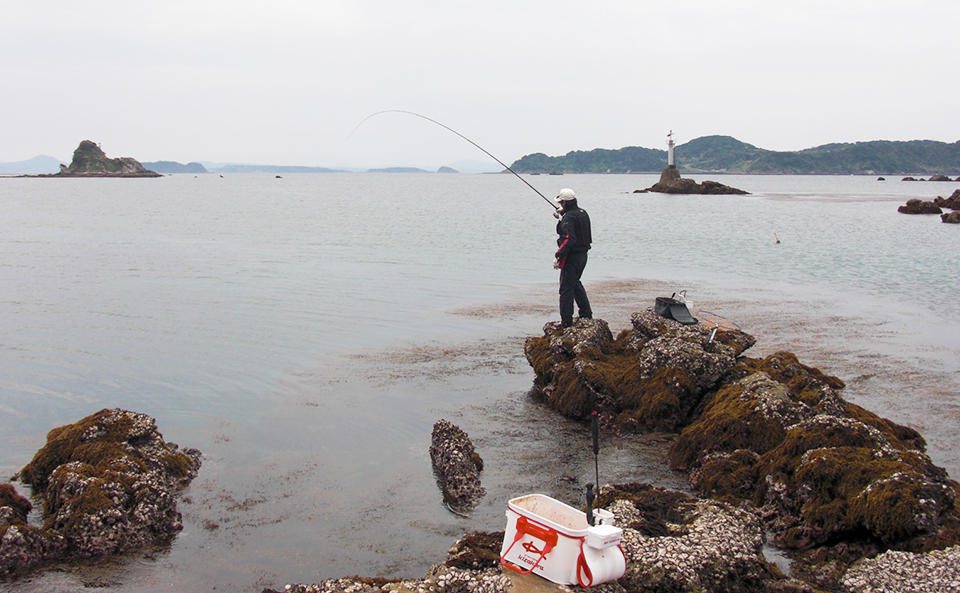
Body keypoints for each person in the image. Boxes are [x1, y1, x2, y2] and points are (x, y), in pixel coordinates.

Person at [552, 188, 592, 327]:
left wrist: (558, 255)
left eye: (561, 203)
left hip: (572, 257)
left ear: (564, 202)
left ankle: (566, 322)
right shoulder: (582, 213)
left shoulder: (569, 217)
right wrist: (562, 215)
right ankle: (586, 314)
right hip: (583, 256)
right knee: (575, 283)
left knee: (565, 289)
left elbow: (570, 239)